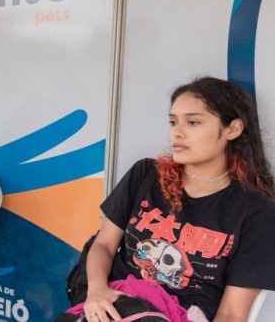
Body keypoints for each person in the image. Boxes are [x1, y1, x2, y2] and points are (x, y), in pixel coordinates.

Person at [77, 77, 275, 322]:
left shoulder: (257, 212)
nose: (177, 132)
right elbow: (104, 245)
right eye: (173, 121)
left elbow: (233, 313)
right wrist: (96, 291)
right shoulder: (145, 174)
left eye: (193, 122)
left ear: (232, 129)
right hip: (114, 304)